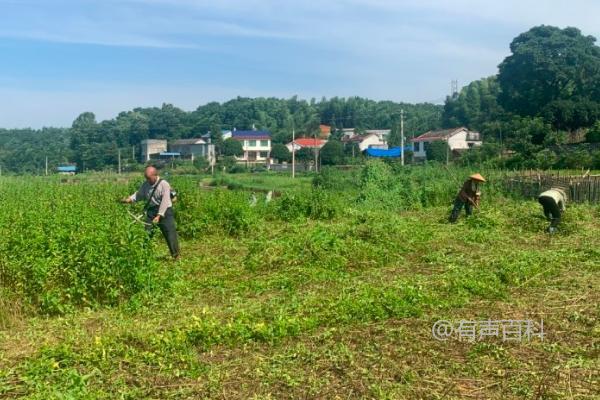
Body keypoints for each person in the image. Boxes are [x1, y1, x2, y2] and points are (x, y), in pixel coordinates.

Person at [122, 166, 180, 259]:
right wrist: (129, 199)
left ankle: (176, 256)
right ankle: (145, 256)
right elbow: (139, 194)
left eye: (148, 178)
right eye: (146, 178)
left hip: (165, 211)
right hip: (152, 211)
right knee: (147, 233)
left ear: (155, 175)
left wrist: (159, 215)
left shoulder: (164, 184)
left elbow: (165, 201)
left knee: (170, 233)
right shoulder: (145, 184)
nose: (147, 180)